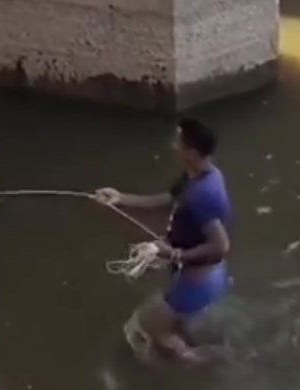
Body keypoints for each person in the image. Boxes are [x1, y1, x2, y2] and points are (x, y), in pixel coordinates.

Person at [96, 119, 231, 363]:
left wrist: (173, 254)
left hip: (197, 283)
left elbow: (221, 246)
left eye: (177, 141)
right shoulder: (198, 176)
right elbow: (166, 200)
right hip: (204, 278)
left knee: (139, 328)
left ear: (190, 152)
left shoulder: (202, 195)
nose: (172, 145)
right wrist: (120, 199)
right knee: (172, 323)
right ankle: (192, 343)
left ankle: (196, 360)